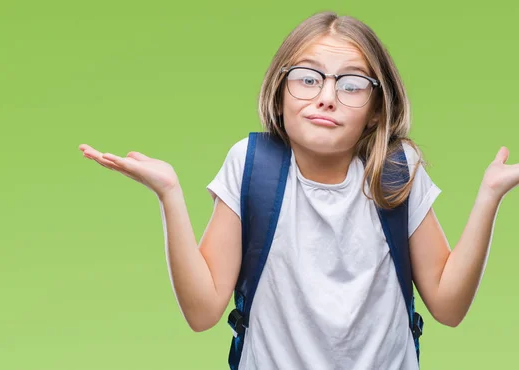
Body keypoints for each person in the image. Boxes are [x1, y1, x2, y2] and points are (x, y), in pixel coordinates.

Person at [78, 11, 519, 370]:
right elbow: (202, 312)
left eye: (351, 85)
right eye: (309, 78)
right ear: (280, 90)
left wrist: (489, 196)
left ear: (374, 109)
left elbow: (448, 306)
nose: (327, 97)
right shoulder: (251, 164)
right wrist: (169, 193)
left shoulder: (395, 169)